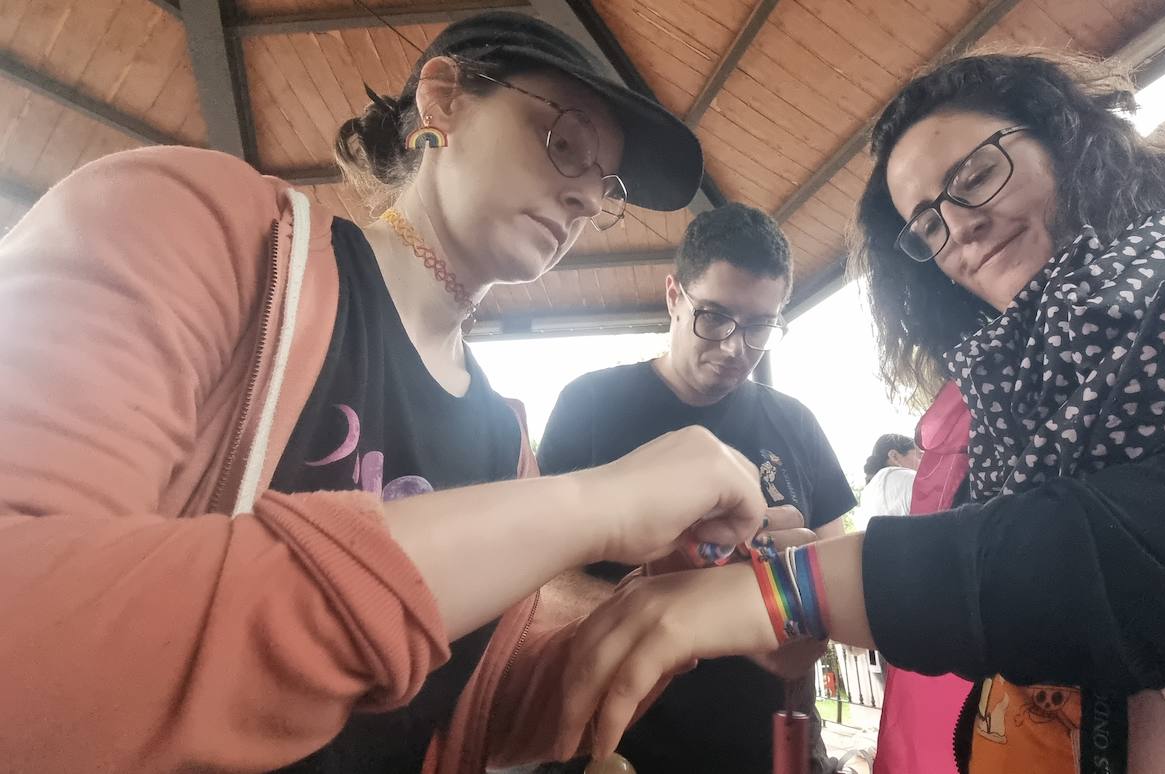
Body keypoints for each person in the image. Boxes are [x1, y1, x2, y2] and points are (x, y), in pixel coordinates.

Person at [548, 49, 1165, 774]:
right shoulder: (1006, 397)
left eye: (975, 176)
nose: (961, 227)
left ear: (1068, 138)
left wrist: (798, 587)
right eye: (928, 226)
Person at [0, 12, 769, 774]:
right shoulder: (195, 224)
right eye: (563, 143)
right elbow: (29, 639)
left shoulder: (505, 440)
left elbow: (476, 716)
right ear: (443, 101)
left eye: (603, 185)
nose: (582, 198)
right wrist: (593, 505)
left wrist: (658, 609)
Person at [537, 203, 855, 774]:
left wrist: (796, 594)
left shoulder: (798, 424)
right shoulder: (589, 404)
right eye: (715, 316)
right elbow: (535, 582)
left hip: (756, 747)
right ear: (672, 297)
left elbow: (835, 590)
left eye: (760, 324)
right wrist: (666, 597)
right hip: (612, 744)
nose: (736, 346)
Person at [855, 433, 921, 532]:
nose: (925, 462)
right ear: (894, 456)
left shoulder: (866, 495)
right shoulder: (904, 477)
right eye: (919, 455)